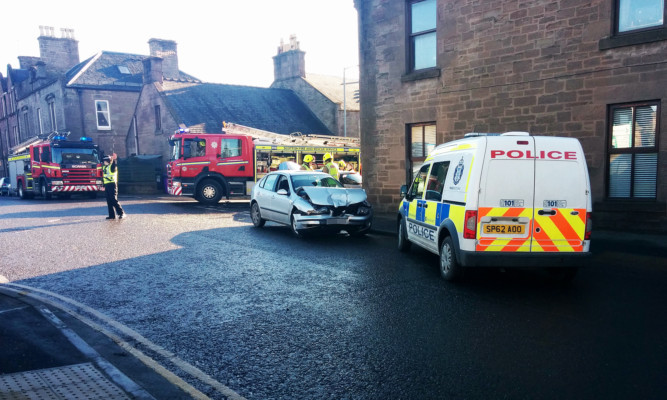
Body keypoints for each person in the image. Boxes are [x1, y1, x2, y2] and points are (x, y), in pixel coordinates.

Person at [102, 153, 125, 220]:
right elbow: (104, 177)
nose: (104, 162)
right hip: (107, 185)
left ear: (108, 161)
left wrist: (114, 159)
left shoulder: (112, 167)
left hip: (112, 185)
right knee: (109, 201)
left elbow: (114, 165)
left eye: (105, 161)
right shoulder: (105, 167)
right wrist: (103, 185)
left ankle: (121, 213)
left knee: (113, 200)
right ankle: (112, 215)